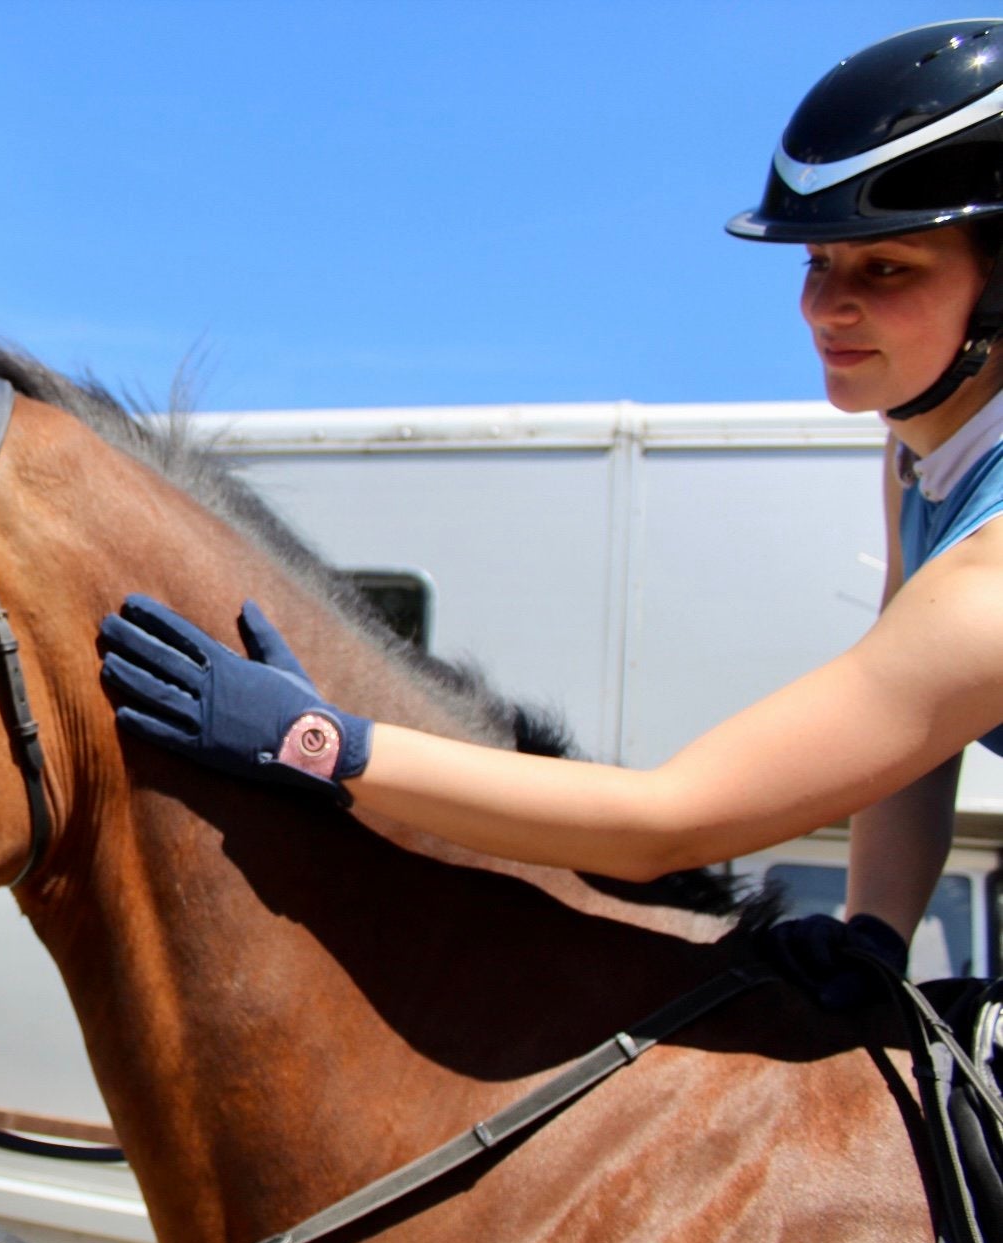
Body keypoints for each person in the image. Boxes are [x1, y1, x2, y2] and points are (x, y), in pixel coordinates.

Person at [98, 19, 1003, 1010]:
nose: (823, 308)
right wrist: (873, 926)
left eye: (885, 269)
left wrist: (320, 741)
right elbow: (916, 729)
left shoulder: (990, 567)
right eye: (815, 264)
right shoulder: (920, 445)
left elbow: (671, 818)